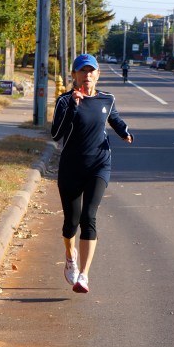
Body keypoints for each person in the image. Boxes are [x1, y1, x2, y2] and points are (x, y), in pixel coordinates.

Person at [51, 53, 133, 294]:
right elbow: (56, 134)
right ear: (74, 75)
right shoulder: (64, 101)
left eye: (91, 71)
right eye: (82, 71)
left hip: (99, 164)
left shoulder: (107, 98)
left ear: (98, 74)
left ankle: (84, 276)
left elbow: (114, 118)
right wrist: (73, 106)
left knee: (89, 217)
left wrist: (124, 131)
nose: (87, 75)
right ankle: (70, 255)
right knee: (71, 224)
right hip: (71, 167)